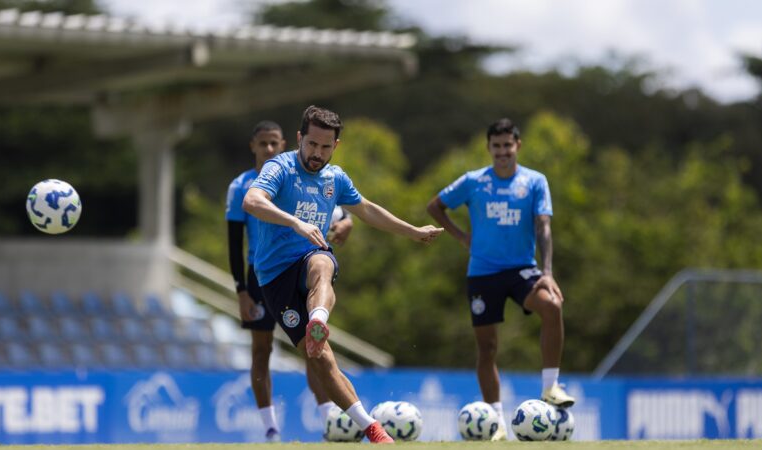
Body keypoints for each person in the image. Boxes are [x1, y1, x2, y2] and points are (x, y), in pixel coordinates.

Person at [243, 105, 443, 444]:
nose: (317, 154)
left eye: (325, 147)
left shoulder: (335, 179)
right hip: (273, 277)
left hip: (310, 259)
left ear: (336, 145)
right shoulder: (281, 167)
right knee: (320, 358)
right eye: (311, 145)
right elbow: (252, 199)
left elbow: (366, 209)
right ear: (299, 138)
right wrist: (295, 222)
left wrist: (412, 231)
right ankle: (369, 424)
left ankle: (318, 318)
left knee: (322, 262)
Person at [426, 118, 575, 441]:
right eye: (497, 146)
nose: (503, 152)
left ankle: (550, 386)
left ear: (517, 145)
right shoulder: (474, 181)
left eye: (508, 145)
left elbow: (544, 226)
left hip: (523, 269)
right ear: (489, 148)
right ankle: (496, 422)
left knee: (552, 306)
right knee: (487, 348)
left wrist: (547, 273)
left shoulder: (535, 182)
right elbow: (435, 206)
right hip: (483, 272)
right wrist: (462, 237)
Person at [226, 120, 354, 442]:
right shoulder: (242, 186)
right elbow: (233, 241)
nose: (269, 148)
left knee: (313, 347)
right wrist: (241, 289)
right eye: (263, 143)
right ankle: (270, 429)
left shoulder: (297, 175)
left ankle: (331, 422)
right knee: (261, 351)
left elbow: (338, 210)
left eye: (274, 143)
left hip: (296, 267)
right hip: (261, 277)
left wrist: (348, 223)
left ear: (284, 144)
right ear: (253, 146)